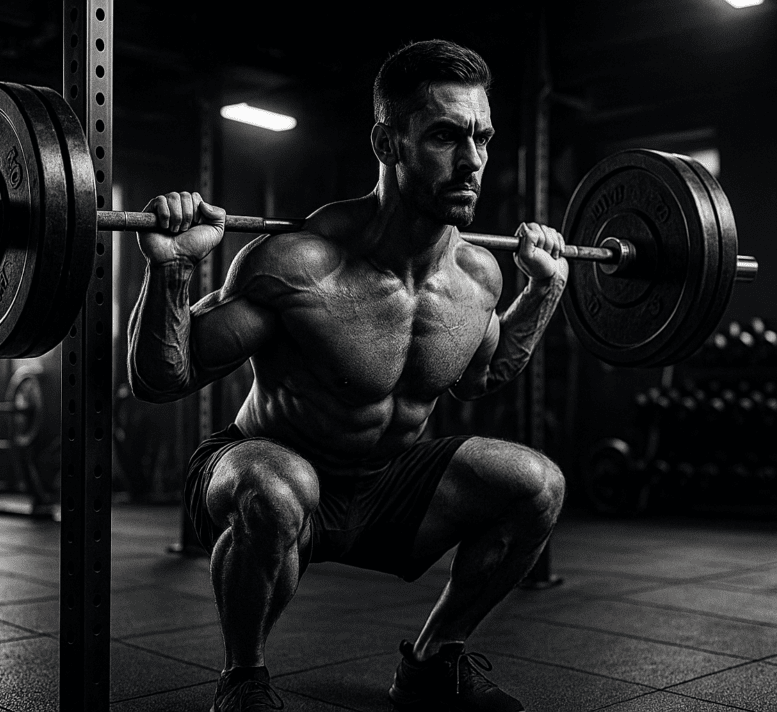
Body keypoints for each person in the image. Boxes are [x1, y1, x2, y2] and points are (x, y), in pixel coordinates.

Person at [128, 38, 568, 712]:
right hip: (269, 467)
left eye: (482, 136)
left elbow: (480, 378)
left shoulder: (480, 276)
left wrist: (541, 294)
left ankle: (432, 663)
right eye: (446, 135)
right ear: (388, 142)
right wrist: (170, 267)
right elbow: (164, 376)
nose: (473, 160)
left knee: (537, 486)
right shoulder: (300, 263)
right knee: (279, 489)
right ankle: (243, 678)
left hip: (389, 484)